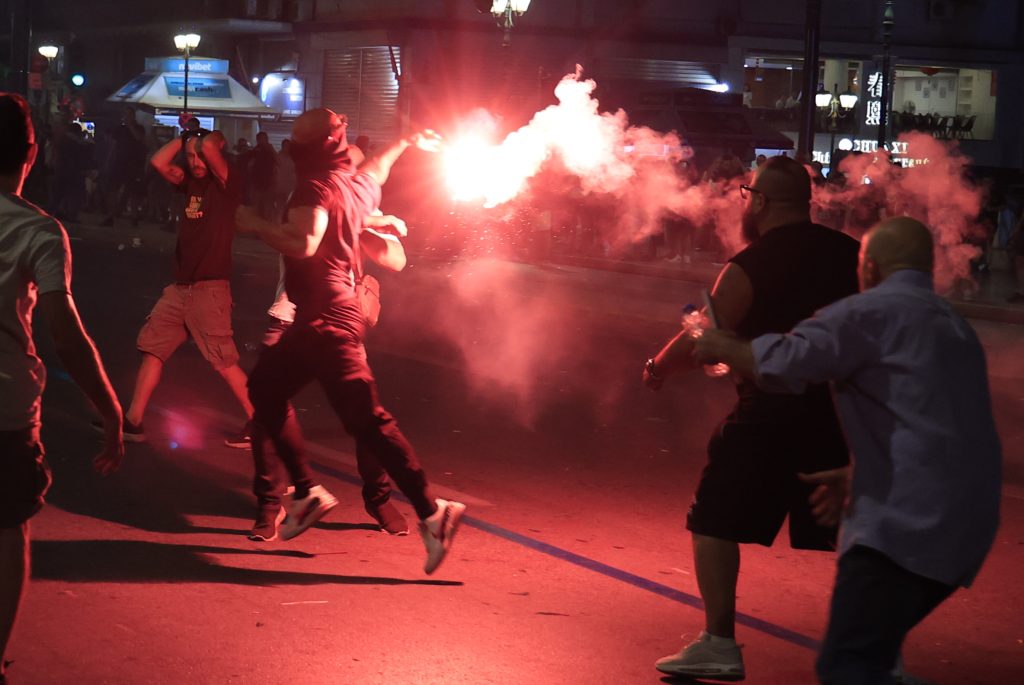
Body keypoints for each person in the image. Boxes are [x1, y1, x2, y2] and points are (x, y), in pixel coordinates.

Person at [693, 217, 1002, 685]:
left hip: (905, 527)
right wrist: (862, 471)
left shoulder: (870, 312)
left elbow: (788, 363)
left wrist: (721, 345)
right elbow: (934, 421)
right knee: (871, 657)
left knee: (850, 667)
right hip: (965, 525)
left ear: (871, 267)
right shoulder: (952, 324)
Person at [643, 156, 860, 680]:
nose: (743, 201)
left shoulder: (751, 264)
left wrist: (658, 368)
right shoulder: (853, 254)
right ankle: (872, 646)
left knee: (713, 519)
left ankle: (718, 642)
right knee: (854, 532)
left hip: (771, 411)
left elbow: (705, 334)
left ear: (760, 202)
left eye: (747, 193)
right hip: (839, 411)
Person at [235, 109, 465, 574]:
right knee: (265, 388)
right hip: (319, 319)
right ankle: (305, 493)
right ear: (337, 143)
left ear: (302, 152)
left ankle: (430, 512)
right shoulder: (358, 183)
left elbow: (303, 242)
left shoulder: (314, 186)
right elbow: (379, 165)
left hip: (329, 319)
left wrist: (253, 223)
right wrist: (405, 137)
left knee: (367, 419)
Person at [0, 93, 124, 685]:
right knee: (5, 530)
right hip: (4, 409)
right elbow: (66, 335)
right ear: (32, 153)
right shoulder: (37, 231)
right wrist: (110, 409)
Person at [118, 127, 254, 446]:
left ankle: (259, 420)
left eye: (200, 155)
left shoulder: (226, 184)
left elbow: (210, 143)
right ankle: (133, 420)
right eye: (190, 156)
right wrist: (183, 138)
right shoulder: (189, 183)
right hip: (180, 288)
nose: (194, 161)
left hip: (210, 288)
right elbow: (157, 162)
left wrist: (204, 140)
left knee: (224, 361)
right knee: (153, 349)